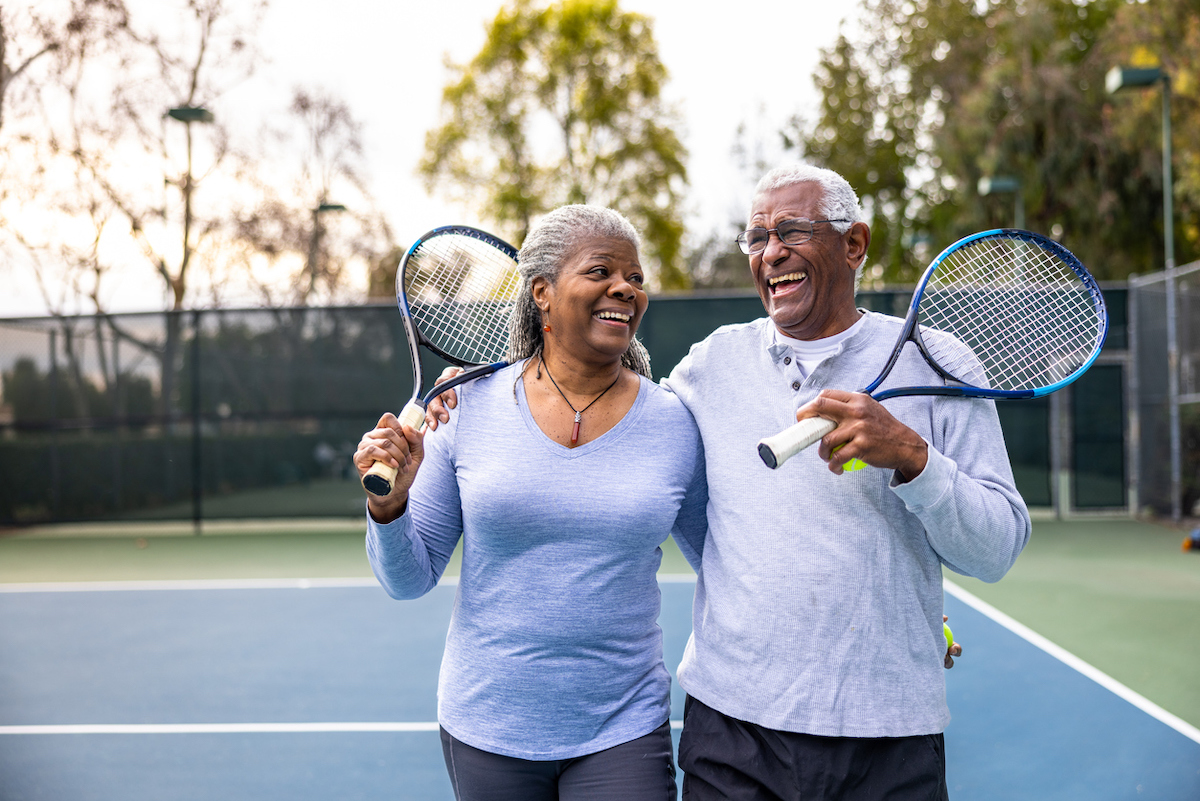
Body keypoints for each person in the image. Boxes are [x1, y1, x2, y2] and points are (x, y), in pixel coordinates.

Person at [661, 163, 1031, 799]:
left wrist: (911, 457)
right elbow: (657, 470)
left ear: (854, 244)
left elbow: (996, 550)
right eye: (757, 238)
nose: (772, 251)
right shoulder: (710, 364)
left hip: (889, 733)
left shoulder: (941, 363)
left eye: (793, 231)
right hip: (733, 731)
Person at [353, 205, 708, 801]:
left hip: (622, 726)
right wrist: (390, 508)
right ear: (541, 292)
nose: (625, 288)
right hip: (486, 725)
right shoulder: (463, 406)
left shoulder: (674, 421)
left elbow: (723, 564)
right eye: (601, 271)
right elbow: (408, 580)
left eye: (637, 278)